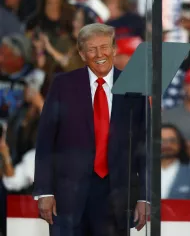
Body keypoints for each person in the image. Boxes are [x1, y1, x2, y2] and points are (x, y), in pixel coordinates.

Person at [33, 23, 149, 236]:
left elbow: (145, 145)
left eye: (104, 47)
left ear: (114, 49)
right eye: (91, 49)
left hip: (118, 195)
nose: (99, 54)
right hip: (68, 197)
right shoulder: (63, 85)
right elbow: (45, 140)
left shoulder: (134, 86)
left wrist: (144, 196)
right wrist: (44, 191)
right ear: (82, 53)